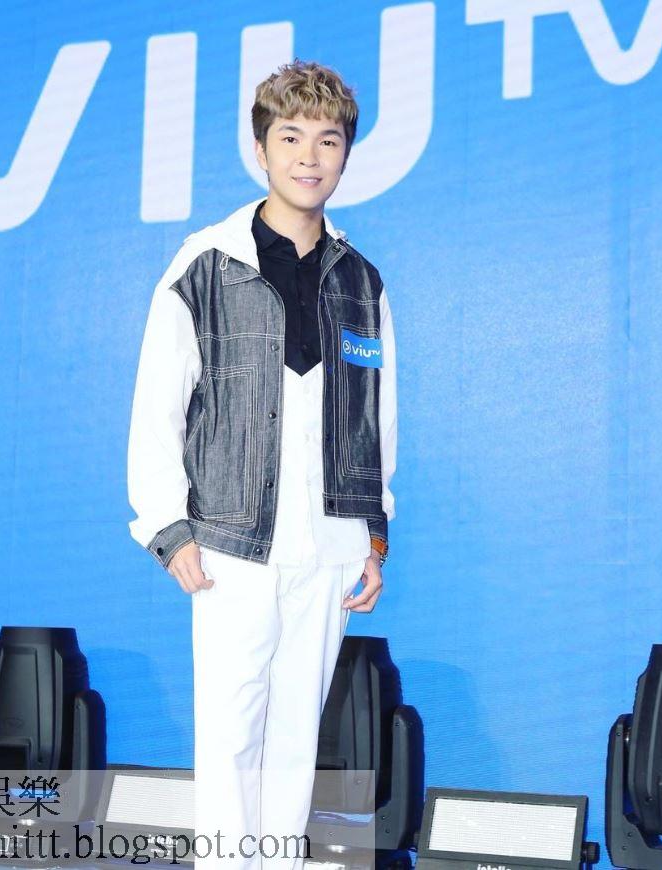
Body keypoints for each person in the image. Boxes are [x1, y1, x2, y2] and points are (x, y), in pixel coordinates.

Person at [127, 59, 397, 870]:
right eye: (291, 137)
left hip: (332, 544)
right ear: (261, 149)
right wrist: (167, 528)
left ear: (345, 154)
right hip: (230, 542)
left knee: (294, 741)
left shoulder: (362, 280)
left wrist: (374, 533)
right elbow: (157, 406)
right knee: (230, 735)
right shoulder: (205, 263)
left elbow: (377, 416)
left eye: (328, 140)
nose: (310, 156)